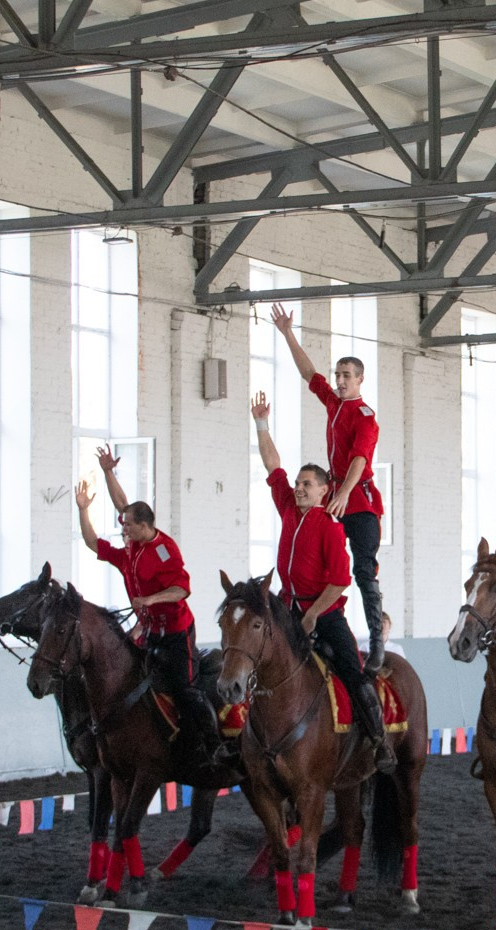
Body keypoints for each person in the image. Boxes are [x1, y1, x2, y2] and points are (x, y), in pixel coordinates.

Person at [250, 392, 394, 774]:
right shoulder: (286, 509)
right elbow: (272, 465)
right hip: (288, 607)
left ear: (324, 491)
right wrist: (261, 424)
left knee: (352, 670)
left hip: (324, 613)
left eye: (307, 484)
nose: (298, 488)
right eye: (298, 484)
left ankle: (379, 740)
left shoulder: (330, 527)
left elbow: (340, 581)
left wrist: (313, 615)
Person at [76, 453, 222, 765]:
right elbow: (96, 536)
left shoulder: (165, 550)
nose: (123, 528)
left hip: (176, 629)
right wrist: (85, 506)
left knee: (185, 689)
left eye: (128, 525)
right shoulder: (129, 548)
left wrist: (151, 600)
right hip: (148, 629)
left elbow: (182, 589)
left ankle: (213, 744)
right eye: (123, 525)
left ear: (145, 525)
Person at [270, 305, 387, 676]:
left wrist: (342, 495)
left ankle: (377, 640)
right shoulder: (334, 404)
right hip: (335, 493)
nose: (339, 381)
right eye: (338, 375)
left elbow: (358, 460)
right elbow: (309, 373)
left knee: (364, 570)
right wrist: (288, 334)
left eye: (346, 376)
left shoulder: (364, 415)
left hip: (359, 500)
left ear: (360, 379)